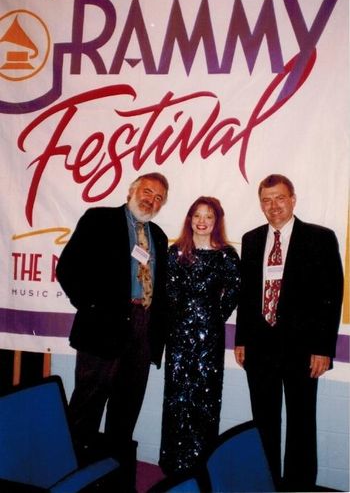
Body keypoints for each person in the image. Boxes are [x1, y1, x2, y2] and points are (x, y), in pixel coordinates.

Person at [56, 172, 169, 490]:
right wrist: (92, 308)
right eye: (148, 192)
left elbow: (160, 291)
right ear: (133, 190)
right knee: (86, 409)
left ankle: (116, 482)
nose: (152, 200)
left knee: (126, 410)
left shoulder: (158, 236)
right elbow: (67, 268)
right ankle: (74, 479)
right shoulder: (99, 219)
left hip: (141, 332)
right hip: (101, 328)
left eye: (159, 197)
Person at [234, 174, 343, 492]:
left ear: (293, 199)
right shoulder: (251, 239)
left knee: (301, 423)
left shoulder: (320, 238)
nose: (273, 206)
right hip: (259, 348)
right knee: (263, 422)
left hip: (303, 349)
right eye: (266, 200)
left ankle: (298, 486)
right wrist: (241, 339)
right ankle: (267, 482)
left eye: (280, 198)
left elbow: (331, 295)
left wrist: (323, 348)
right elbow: (246, 294)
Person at [159, 196, 241, 475]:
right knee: (176, 397)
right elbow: (168, 292)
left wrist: (213, 315)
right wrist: (182, 318)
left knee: (206, 399)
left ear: (216, 221)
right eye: (197, 215)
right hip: (179, 336)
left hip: (210, 338)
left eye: (208, 216)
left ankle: (201, 465)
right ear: (189, 219)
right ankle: (173, 465)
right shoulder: (175, 252)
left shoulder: (227, 255)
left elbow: (234, 290)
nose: (202, 221)